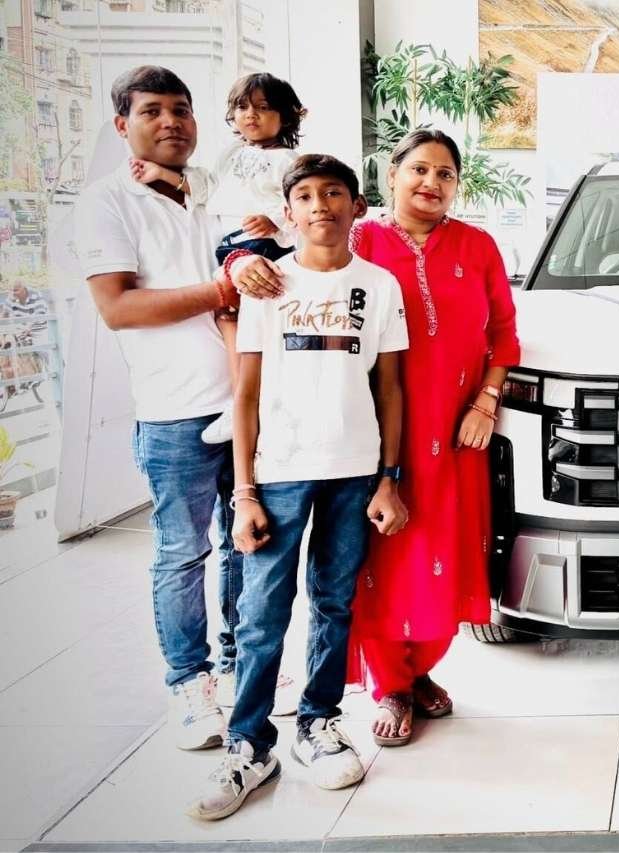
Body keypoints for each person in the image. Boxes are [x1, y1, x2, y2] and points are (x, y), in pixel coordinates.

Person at [232, 129, 521, 748]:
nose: (431, 183)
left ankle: (420, 669)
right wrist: (238, 263)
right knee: (379, 562)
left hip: (457, 434)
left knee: (445, 553)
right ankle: (390, 682)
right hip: (372, 436)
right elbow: (281, 261)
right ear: (390, 176)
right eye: (419, 169)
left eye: (445, 174)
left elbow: (504, 330)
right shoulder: (359, 237)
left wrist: (486, 401)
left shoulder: (477, 245)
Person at [190, 154, 409, 820]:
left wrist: (389, 478)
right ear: (288, 213)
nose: (321, 206)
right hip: (279, 471)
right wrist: (244, 493)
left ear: (357, 206)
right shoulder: (268, 282)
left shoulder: (379, 285)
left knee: (334, 602)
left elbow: (389, 387)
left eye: (334, 193)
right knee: (262, 612)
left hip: (354, 470)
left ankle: (318, 722)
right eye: (306, 196)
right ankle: (250, 745)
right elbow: (246, 393)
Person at [77, 66, 242, 752]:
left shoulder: (210, 189)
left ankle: (240, 665)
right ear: (123, 125)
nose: (171, 121)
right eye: (152, 110)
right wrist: (221, 289)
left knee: (246, 543)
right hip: (175, 414)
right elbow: (118, 306)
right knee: (182, 552)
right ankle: (189, 682)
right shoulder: (106, 202)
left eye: (182, 109)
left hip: (248, 404)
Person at [131, 72, 305, 446]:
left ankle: (245, 403)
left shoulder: (288, 160)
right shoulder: (229, 154)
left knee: (242, 319)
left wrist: (274, 221)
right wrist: (161, 173)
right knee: (230, 317)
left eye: (263, 108)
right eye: (242, 107)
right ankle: (242, 401)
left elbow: (299, 202)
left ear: (286, 116)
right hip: (230, 245)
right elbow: (207, 187)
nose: (251, 115)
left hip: (261, 245)